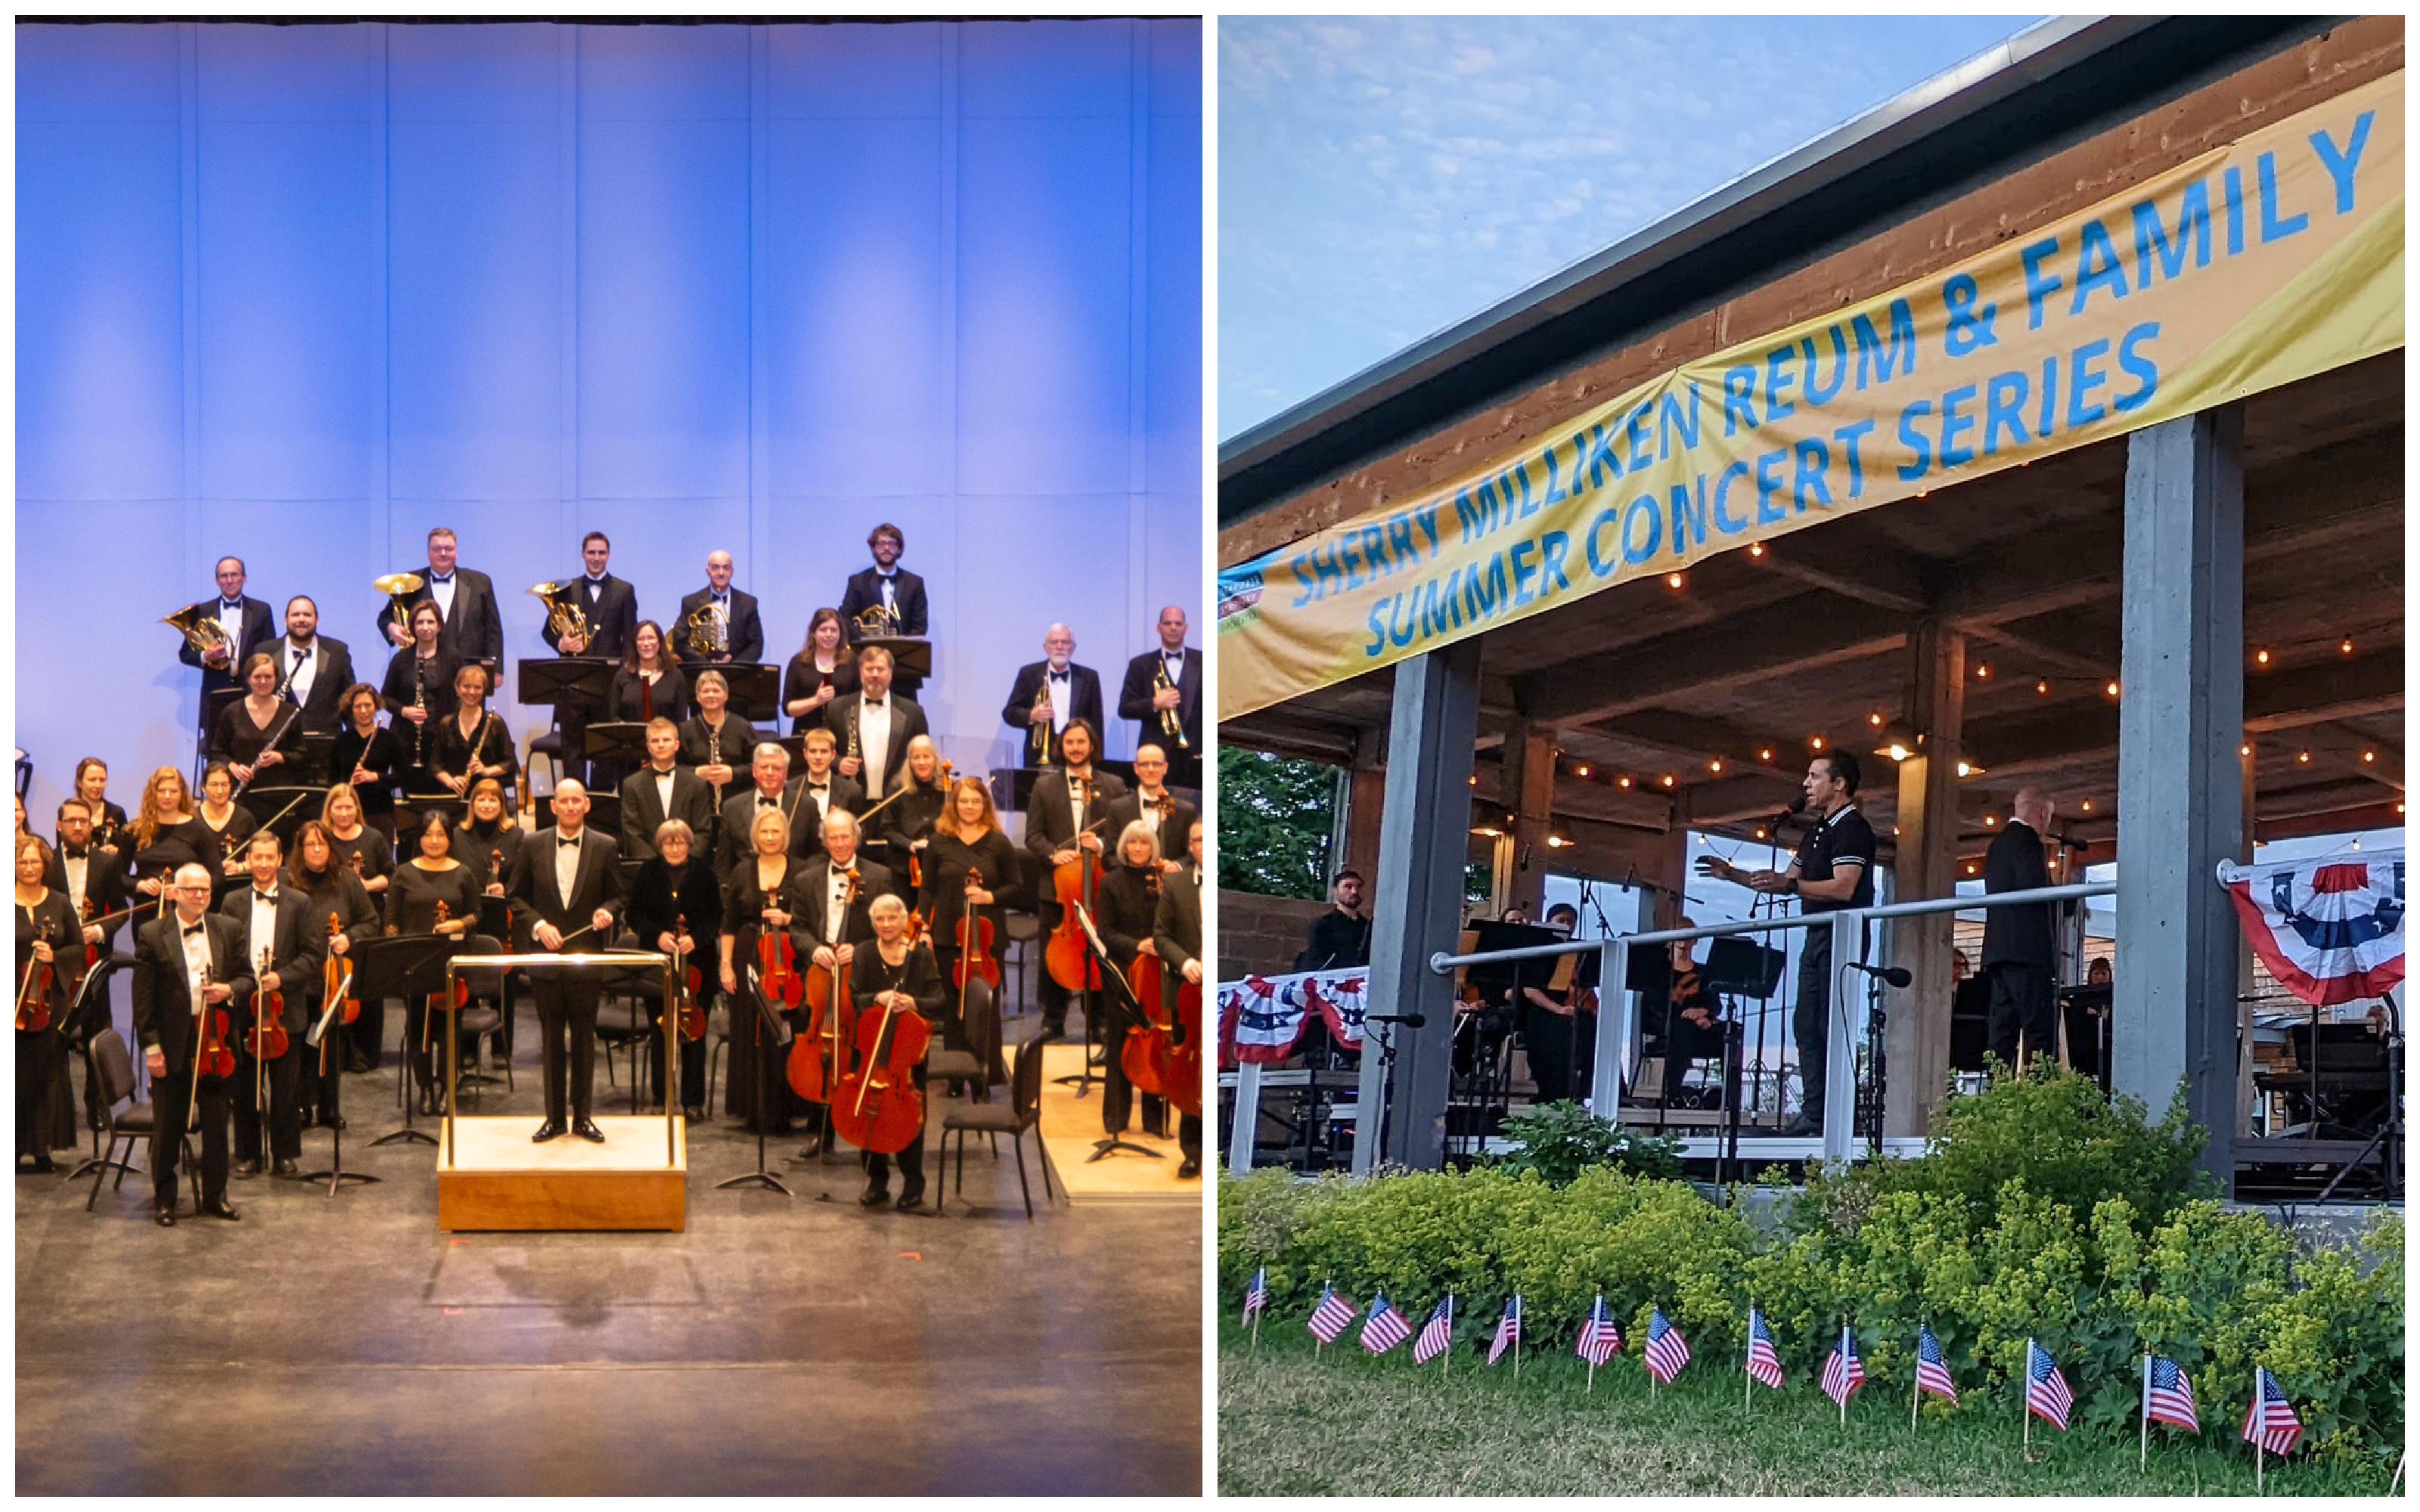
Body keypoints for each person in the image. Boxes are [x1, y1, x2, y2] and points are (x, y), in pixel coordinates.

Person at [1696, 749, 1876, 1136]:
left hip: (1840, 933)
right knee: (1805, 1024)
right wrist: (1732, 875)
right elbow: (1785, 880)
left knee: (1831, 1024)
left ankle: (1841, 1114)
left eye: (1814, 777)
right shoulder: (1818, 831)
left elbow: (1844, 887)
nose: (1806, 785)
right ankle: (1815, 1112)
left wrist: (1791, 885)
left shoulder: (1852, 827)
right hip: (1817, 935)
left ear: (1839, 783)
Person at [133, 862, 255, 1225]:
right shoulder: (153, 934)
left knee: (217, 1128)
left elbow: (248, 977)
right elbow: (143, 999)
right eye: (191, 890)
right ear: (175, 893)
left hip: (216, 1043)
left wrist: (229, 990)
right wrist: (152, 1049)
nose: (200, 895)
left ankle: (216, 1196)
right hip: (173, 1045)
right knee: (168, 1126)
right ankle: (166, 1200)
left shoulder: (228, 928)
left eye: (205, 889)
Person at [507, 780, 622, 1144]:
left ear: (587, 805)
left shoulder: (605, 846)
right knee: (551, 1039)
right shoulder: (531, 843)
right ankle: (554, 1119)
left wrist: (607, 911)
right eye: (564, 801)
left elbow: (619, 895)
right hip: (545, 960)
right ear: (553, 806)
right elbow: (515, 897)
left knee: (585, 1039)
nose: (571, 806)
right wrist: (539, 926)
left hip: (586, 958)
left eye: (577, 800)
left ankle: (583, 1117)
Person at [790, 809, 892, 1151]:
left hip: (860, 977)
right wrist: (814, 949)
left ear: (856, 839)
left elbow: (891, 928)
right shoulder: (806, 879)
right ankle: (822, 1133)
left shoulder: (879, 877)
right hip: (820, 974)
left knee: (860, 1048)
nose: (839, 843)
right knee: (823, 1051)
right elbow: (797, 928)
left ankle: (865, 1126)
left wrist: (861, 950)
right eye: (832, 837)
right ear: (823, 842)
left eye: (845, 836)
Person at [220, 831, 317, 1180]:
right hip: (244, 1006)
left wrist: (282, 978)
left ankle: (284, 1154)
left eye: (268, 858)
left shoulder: (299, 903)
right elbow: (225, 952)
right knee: (245, 1087)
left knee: (286, 1088)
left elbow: (312, 955)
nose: (262, 864)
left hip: (284, 1008)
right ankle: (247, 1155)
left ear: (280, 860)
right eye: (256, 858)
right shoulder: (231, 902)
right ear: (248, 860)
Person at [1024, 719, 1127, 1042]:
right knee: (1052, 955)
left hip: (1099, 886)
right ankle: (1052, 1019)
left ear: (1092, 745)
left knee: (1098, 951)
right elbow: (1033, 836)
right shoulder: (1044, 787)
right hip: (1058, 888)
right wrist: (1054, 854)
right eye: (1070, 742)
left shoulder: (1112, 786)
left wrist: (1100, 845)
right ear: (1061, 746)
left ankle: (1097, 1018)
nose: (1076, 748)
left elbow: (1124, 835)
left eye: (1082, 742)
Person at [847, 894, 942, 1210]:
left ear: (904, 921)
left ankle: (913, 1182)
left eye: (892, 918)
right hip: (872, 1048)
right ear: (873, 923)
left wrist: (913, 1002)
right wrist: (878, 997)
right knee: (870, 1111)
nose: (886, 925)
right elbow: (855, 997)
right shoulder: (863, 953)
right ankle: (877, 1180)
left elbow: (940, 1002)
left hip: (908, 1053)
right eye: (879, 919)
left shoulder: (922, 956)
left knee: (907, 1117)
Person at [624, 818, 719, 1123]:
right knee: (660, 1029)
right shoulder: (648, 872)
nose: (674, 847)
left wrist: (696, 938)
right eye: (668, 842)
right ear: (660, 844)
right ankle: (661, 1097)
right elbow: (633, 914)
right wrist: (657, 936)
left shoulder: (704, 872)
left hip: (698, 964)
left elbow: (716, 916)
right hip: (658, 962)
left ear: (690, 844)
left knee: (695, 1033)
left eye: (680, 841)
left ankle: (693, 1101)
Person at [716, 807, 804, 1135]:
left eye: (775, 832)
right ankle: (753, 1109)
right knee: (749, 1030)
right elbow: (729, 923)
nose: (769, 838)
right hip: (747, 953)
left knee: (785, 1030)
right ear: (755, 836)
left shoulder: (802, 870)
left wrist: (789, 920)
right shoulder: (742, 871)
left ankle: (786, 1107)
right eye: (764, 832)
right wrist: (726, 966)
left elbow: (811, 916)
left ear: (785, 835)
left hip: (788, 959)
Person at [389, 812, 484, 1116]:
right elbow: (391, 922)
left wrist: (458, 922)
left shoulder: (463, 873)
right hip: (414, 963)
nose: (434, 840)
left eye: (441, 834)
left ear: (449, 838)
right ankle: (425, 1088)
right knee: (417, 1028)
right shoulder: (403, 873)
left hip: (451, 963)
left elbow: (476, 915)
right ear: (419, 839)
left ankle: (446, 1087)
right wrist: (398, 951)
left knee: (449, 1030)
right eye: (428, 834)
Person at [289, 818, 378, 1118]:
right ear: (300, 849)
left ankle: (330, 1107)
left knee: (333, 1043)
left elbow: (371, 921)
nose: (317, 849)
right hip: (300, 977)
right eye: (310, 844)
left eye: (322, 843)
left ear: (331, 847)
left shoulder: (347, 880)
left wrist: (348, 937)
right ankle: (301, 1105)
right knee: (301, 1044)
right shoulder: (288, 882)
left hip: (333, 977)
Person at [538, 531, 640, 787]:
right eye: (591, 552)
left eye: (601, 553)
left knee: (605, 744)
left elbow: (630, 637)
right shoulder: (566, 589)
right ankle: (574, 798)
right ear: (583, 554)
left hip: (609, 682)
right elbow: (547, 631)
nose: (596, 558)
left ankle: (600, 803)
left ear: (609, 554)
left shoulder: (624, 590)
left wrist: (627, 676)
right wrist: (561, 643)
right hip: (572, 681)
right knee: (572, 746)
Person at [918, 775, 1018, 1031]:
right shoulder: (939, 841)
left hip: (988, 936)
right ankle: (956, 1068)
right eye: (964, 801)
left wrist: (990, 896)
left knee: (987, 1005)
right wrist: (924, 928)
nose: (970, 806)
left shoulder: (999, 842)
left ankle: (989, 1069)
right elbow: (927, 889)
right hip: (948, 933)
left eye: (976, 801)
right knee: (953, 1007)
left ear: (985, 803)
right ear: (954, 804)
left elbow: (1016, 886)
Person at [1096, 821, 1171, 1140]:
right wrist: (1137, 945)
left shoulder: (1164, 882)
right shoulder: (1111, 883)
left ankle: (1155, 1121)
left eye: (1144, 843)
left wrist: (1159, 943)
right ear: (1124, 847)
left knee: (1155, 1043)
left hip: (1156, 972)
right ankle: (1115, 1117)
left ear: (1153, 848)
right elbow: (1106, 933)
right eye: (1133, 843)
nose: (1139, 849)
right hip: (1124, 970)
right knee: (1118, 1041)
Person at [16, 833, 82, 1170]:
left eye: (34, 861)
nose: (29, 867)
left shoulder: (59, 902)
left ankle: (42, 1149)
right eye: (21, 861)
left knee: (47, 1075)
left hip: (47, 1002)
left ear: (44, 865)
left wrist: (54, 956)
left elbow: (79, 948)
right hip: (11, 1002)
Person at [1983, 785, 2059, 1074]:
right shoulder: (2027, 841)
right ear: (2041, 814)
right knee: (2039, 1032)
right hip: (2027, 951)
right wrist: (2065, 896)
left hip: (1999, 951)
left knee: (2002, 1033)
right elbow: (2035, 887)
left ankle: (1997, 1099)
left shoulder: (1997, 844)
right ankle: (2041, 1098)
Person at [1151, 816, 1206, 1178]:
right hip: (1187, 991)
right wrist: (1185, 962)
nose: (1204, 846)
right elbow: (1160, 936)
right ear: (1190, 846)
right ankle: (1191, 1151)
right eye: (1199, 840)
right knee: (1189, 1070)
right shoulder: (1176, 884)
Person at [375, 525, 504, 665]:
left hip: (470, 670)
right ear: (428, 553)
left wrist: (495, 670)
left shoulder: (481, 582)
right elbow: (385, 617)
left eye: (449, 549)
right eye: (436, 549)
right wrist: (391, 628)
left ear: (456, 552)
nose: (443, 553)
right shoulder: (410, 581)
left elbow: (493, 630)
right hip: (421, 667)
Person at [177, 556, 277, 733]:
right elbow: (185, 654)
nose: (229, 580)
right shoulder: (202, 611)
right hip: (215, 696)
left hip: (252, 694)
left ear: (244, 578)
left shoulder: (262, 610)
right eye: (224, 576)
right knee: (216, 754)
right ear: (217, 581)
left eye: (234, 575)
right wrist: (206, 656)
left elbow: (271, 653)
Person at [380, 600, 459, 817]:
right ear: (412, 626)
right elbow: (384, 698)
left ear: (440, 626)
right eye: (420, 622)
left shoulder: (453, 658)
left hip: (442, 741)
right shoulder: (400, 660)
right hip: (408, 741)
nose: (426, 627)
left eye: (431, 622)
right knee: (411, 805)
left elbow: (461, 697)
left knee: (442, 805)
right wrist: (405, 711)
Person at [1521, 902, 1601, 1106]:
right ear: (1550, 922)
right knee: (1551, 1026)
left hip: (1570, 1007)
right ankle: (1550, 1091)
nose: (1566, 925)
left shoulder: (1578, 950)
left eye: (1570, 922)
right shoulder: (1538, 950)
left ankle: (1583, 1091)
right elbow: (1530, 990)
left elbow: (1586, 985)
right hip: (1544, 1008)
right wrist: (1558, 1008)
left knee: (1591, 1026)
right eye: (1561, 921)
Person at [838, 522, 929, 700]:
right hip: (868, 666)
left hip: (903, 670)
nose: (886, 548)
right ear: (873, 548)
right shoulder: (857, 582)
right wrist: (865, 644)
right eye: (881, 544)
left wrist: (897, 650)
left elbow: (920, 625)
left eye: (892, 544)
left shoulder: (915, 583)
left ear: (899, 549)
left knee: (906, 721)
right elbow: (844, 618)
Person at [827, 645, 927, 804]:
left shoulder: (913, 712)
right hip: (851, 803)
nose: (875, 674)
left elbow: (923, 757)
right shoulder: (837, 709)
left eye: (880, 669)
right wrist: (838, 763)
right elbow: (823, 751)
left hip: (897, 803)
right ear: (861, 672)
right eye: (869, 669)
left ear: (890, 673)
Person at [1118, 605, 1202, 785]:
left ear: (1186, 628)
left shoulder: (1204, 661)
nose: (1173, 628)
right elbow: (1125, 708)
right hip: (1156, 754)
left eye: (1178, 624)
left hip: (1196, 755)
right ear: (1159, 628)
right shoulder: (1140, 665)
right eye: (1168, 623)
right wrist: (1155, 703)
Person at [714, 742, 821, 883]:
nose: (770, 772)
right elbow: (724, 863)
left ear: (785, 773)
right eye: (764, 767)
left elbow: (820, 854)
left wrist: (802, 875)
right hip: (747, 889)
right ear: (754, 771)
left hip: (795, 889)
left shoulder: (807, 806)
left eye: (776, 768)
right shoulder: (732, 807)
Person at [1001, 624, 1103, 768]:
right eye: (1054, 642)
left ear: (1073, 647)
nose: (1059, 646)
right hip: (1040, 757)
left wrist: (1096, 762)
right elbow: (1009, 713)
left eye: (1065, 642)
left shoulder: (1089, 677)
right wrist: (1031, 715)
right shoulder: (1029, 673)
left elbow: (1096, 723)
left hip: (1078, 753)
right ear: (1046, 647)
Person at [619, 717, 715, 865]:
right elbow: (631, 832)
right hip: (649, 870)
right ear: (648, 746)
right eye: (655, 741)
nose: (661, 745)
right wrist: (657, 866)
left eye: (666, 740)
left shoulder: (697, 784)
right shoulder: (632, 785)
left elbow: (702, 831)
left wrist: (683, 862)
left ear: (677, 745)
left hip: (688, 869)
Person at [123, 767, 218, 917]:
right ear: (152, 793)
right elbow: (119, 876)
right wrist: (140, 885)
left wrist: (186, 888)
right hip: (146, 910)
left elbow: (217, 875)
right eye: (161, 791)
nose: (167, 796)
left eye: (174, 791)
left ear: (182, 794)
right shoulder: (136, 829)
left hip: (186, 910)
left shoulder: (197, 828)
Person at [1648, 921, 1720, 1109]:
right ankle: (1671, 1093)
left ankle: (1728, 1099)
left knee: (1731, 1032)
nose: (1684, 941)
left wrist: (1704, 1014)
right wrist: (1689, 1016)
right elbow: (1655, 1004)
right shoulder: (1659, 972)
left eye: (1688, 935)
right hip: (1667, 1023)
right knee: (1681, 1029)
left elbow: (1714, 1003)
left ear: (1695, 941)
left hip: (1700, 1024)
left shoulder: (1704, 972)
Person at [209, 652, 304, 789]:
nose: (263, 681)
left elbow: (301, 756)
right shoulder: (232, 711)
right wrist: (234, 767)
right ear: (248, 679)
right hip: (241, 788)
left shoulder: (290, 713)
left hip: (278, 789)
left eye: (268, 677)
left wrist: (279, 757)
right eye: (257, 677)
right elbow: (217, 751)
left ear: (276, 679)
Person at [432, 662, 517, 806]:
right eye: (466, 686)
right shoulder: (446, 724)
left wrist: (487, 771)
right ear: (457, 688)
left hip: (488, 797)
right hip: (455, 794)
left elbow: (510, 763)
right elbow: (435, 766)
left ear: (484, 690)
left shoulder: (495, 722)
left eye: (477, 687)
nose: (471, 692)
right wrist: (451, 782)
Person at [678, 669, 756, 820]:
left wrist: (733, 773)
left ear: (726, 696)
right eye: (705, 691)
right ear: (698, 697)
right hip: (697, 810)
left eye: (716, 690)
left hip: (738, 807)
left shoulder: (742, 726)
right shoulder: (685, 730)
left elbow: (758, 766)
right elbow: (674, 768)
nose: (711, 695)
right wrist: (696, 773)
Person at [275, 596, 356, 736]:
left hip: (328, 742)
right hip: (281, 745)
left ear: (317, 620)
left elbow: (350, 700)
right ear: (285, 620)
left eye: (307, 614)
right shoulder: (266, 650)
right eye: (295, 614)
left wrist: (355, 741)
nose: (301, 619)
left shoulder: (338, 651)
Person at [873, 735, 950, 884]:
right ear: (909, 762)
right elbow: (887, 828)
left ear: (936, 759)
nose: (922, 762)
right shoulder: (897, 787)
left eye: (926, 757)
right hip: (902, 866)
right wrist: (910, 844)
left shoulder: (947, 788)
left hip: (939, 865)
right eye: (916, 757)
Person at [330, 682, 402, 841]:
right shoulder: (341, 741)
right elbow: (333, 779)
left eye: (368, 705)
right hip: (348, 813)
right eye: (358, 706)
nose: (363, 711)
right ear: (351, 709)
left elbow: (404, 777)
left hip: (381, 812)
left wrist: (376, 777)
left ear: (376, 706)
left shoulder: (389, 739)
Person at [1103, 744, 1197, 862]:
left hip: (1172, 879)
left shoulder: (1186, 811)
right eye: (1144, 764)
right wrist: (1134, 869)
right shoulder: (1117, 808)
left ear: (1165, 768)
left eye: (1156, 764)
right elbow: (1109, 857)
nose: (1151, 769)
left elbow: (1195, 853)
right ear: (1136, 768)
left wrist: (1178, 865)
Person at [676, 550, 764, 666]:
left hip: (738, 673)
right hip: (701, 672)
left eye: (726, 568)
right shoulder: (690, 602)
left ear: (732, 571)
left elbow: (756, 644)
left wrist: (734, 666)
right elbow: (680, 641)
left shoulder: (748, 603)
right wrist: (706, 664)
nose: (721, 573)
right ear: (708, 571)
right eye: (715, 568)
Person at [780, 608, 860, 734]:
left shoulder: (852, 661)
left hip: (843, 734)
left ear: (840, 633)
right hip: (806, 735)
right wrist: (816, 701)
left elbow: (859, 702)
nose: (829, 634)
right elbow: (788, 709)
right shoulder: (798, 662)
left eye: (834, 630)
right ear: (813, 632)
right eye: (823, 630)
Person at [194, 762, 260, 903]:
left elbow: (260, 856)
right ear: (203, 787)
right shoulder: (193, 819)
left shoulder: (245, 817)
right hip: (201, 892)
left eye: (224, 785)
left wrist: (241, 867)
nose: (220, 790)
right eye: (214, 784)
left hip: (239, 892)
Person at [610, 619, 692, 730]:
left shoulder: (676, 676)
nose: (646, 644)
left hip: (664, 744)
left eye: (651, 638)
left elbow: (681, 720)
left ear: (660, 641)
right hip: (630, 742)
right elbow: (614, 716)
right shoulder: (622, 675)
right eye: (641, 639)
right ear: (635, 643)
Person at [1298, 869, 1371, 971]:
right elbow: (1316, 962)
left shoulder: (1368, 927)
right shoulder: (1323, 925)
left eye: (1358, 887)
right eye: (1348, 887)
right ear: (1335, 891)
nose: (1354, 891)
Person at [794, 726, 863, 822]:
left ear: (833, 755)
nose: (818, 757)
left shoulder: (852, 791)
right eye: (813, 751)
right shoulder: (792, 788)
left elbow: (858, 831)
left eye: (824, 751)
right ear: (805, 754)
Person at [71, 758, 131, 856]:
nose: (98, 785)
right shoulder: (68, 813)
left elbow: (128, 852)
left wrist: (118, 852)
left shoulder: (116, 813)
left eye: (102, 780)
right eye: (92, 780)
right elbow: (62, 853)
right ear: (79, 782)